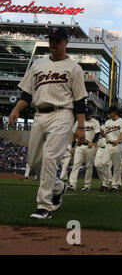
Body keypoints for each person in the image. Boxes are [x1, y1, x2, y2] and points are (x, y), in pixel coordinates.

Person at [9, 26, 88, 219]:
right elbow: (27, 93)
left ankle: (44, 206)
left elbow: (79, 101)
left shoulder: (74, 68)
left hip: (63, 113)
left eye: (57, 40)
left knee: (51, 157)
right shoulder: (38, 64)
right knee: (34, 161)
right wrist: (16, 109)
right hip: (39, 114)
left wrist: (81, 127)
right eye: (51, 39)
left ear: (66, 43)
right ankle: (58, 186)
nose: (53, 43)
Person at [68, 107, 100, 192]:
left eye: (87, 114)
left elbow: (97, 134)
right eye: (85, 114)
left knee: (89, 166)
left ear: (90, 114)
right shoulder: (79, 121)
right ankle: (72, 184)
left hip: (90, 146)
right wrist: (72, 146)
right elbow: (75, 134)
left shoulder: (95, 122)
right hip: (80, 145)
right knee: (76, 164)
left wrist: (93, 142)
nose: (86, 116)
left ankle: (87, 185)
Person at [103, 105, 122, 193]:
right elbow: (105, 134)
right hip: (108, 145)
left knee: (117, 167)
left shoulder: (121, 121)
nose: (109, 114)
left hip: (117, 145)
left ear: (114, 112)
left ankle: (114, 186)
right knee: (103, 163)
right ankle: (109, 180)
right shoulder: (107, 122)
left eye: (110, 112)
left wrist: (118, 140)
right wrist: (102, 133)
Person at [95, 122, 113, 192]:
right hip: (100, 148)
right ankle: (107, 180)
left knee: (106, 166)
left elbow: (111, 138)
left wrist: (103, 134)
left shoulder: (110, 127)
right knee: (97, 165)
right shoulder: (97, 128)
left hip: (107, 148)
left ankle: (104, 184)